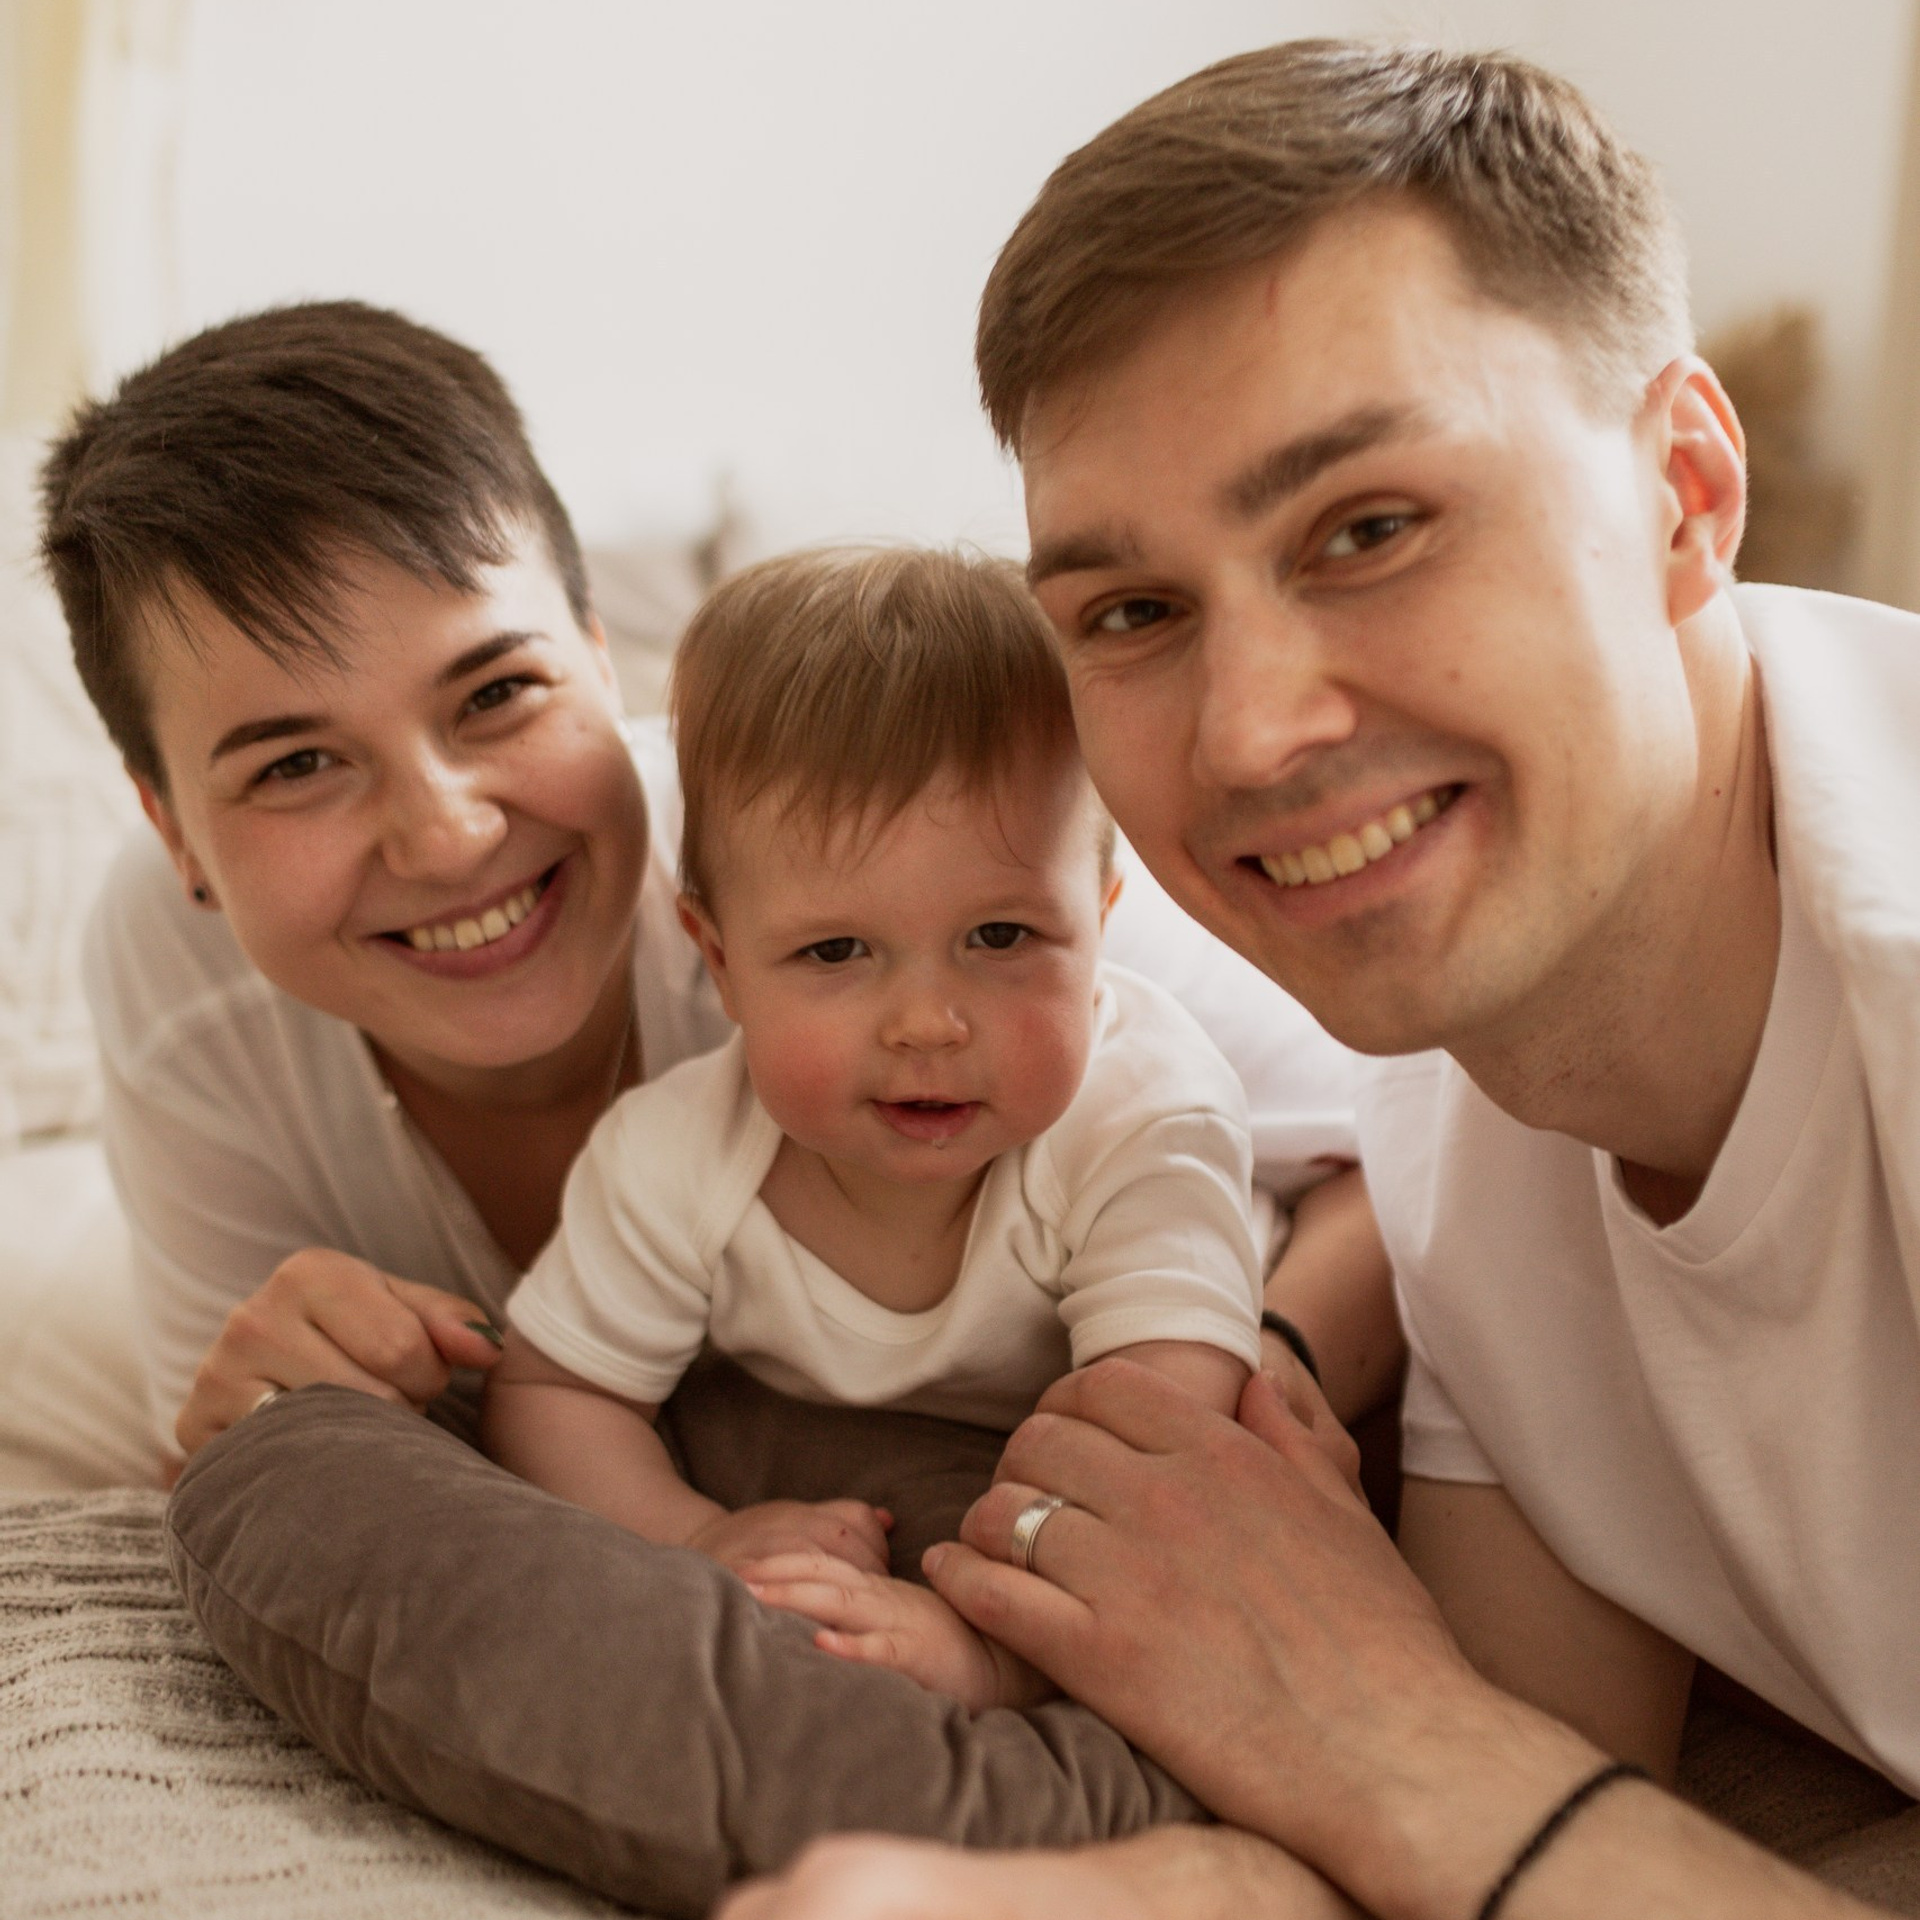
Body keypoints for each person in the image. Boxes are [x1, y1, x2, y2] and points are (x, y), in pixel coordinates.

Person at [723, 37, 1920, 1920]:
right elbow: (1505, 1838)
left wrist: (1393, 1734)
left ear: (1687, 493)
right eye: (1134, 613)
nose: (1251, 733)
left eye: (1369, 529)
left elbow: (1457, 1780)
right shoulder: (1462, 1096)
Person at [47, 300, 1390, 1910]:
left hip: (1059, 1469)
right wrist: (270, 1406)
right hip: (712, 1504)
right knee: (287, 1473)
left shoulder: (876, 832)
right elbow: (335, 1429)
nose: (446, 832)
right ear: (172, 830)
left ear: (600, 660)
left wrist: (1260, 1381)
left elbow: (1400, 1155)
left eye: (497, 693)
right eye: (291, 767)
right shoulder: (178, 973)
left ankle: (1090, 1829)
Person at [486, 546, 1270, 1713]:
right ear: (720, 962)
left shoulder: (1142, 1125)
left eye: (1001, 938)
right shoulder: (673, 1155)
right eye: (836, 951)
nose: (927, 1024)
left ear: (1102, 925)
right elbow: (556, 1396)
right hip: (818, 1465)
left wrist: (990, 1649)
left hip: (1083, 1466)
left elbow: (1164, 1465)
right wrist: (695, 1536)